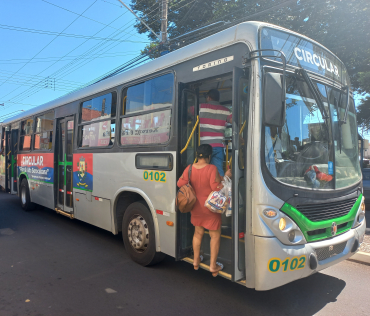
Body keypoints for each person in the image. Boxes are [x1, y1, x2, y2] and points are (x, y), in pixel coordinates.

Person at [177, 144, 232, 277]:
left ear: (197, 155)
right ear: (209, 156)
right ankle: (213, 266)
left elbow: (180, 183)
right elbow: (216, 187)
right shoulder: (212, 168)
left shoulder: (189, 168)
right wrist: (226, 176)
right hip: (210, 208)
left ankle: (196, 261)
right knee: (214, 236)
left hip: (195, 207)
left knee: (197, 233)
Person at [199, 89, 232, 177]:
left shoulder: (201, 107)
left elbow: (186, 111)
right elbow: (235, 122)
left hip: (204, 146)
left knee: (203, 170)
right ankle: (219, 189)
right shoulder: (226, 111)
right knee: (218, 171)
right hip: (218, 145)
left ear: (209, 98)